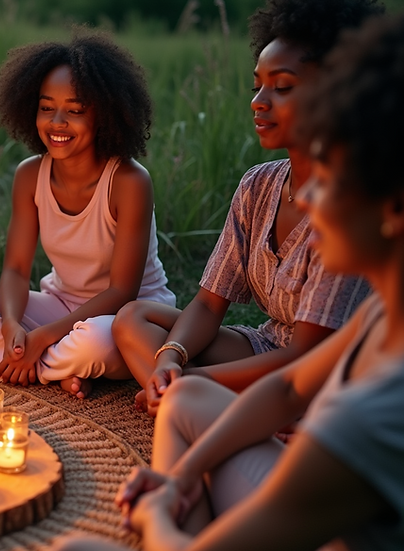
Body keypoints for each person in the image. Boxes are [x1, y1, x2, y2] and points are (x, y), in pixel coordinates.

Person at [56, 10, 404, 551]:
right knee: (185, 394)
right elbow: (287, 385)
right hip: (268, 366)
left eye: (329, 178)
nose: (310, 198)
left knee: (77, 547)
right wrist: (179, 472)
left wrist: (156, 517)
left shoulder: (372, 415)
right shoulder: (381, 316)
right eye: (257, 85)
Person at [111, 0, 376, 416]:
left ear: (336, 93)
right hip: (267, 348)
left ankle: (193, 409)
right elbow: (207, 304)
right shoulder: (259, 184)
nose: (258, 101)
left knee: (195, 387)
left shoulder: (351, 203)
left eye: (282, 87)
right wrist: (170, 358)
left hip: (327, 377)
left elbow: (306, 356)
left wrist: (194, 380)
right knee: (133, 319)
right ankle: (193, 407)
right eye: (257, 87)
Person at [0, 29, 175, 397]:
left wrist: (43, 336)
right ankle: (50, 367)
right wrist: (12, 326)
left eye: (75, 110)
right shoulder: (30, 174)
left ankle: (6, 363)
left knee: (93, 343)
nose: (57, 122)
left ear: (104, 115)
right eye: (46, 107)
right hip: (62, 304)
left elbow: (122, 291)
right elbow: (16, 269)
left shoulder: (129, 181)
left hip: (126, 317)